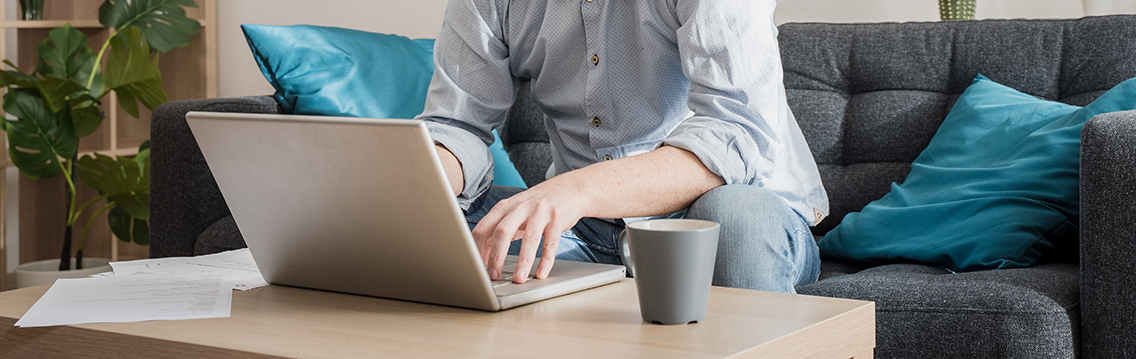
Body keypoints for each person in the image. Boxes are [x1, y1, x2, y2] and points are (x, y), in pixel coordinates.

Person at [415, 0, 828, 293]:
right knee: (429, 220)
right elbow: (457, 125)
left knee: (733, 213)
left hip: (732, 213)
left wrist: (576, 190)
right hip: (585, 225)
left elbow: (735, 133)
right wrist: (407, 181)